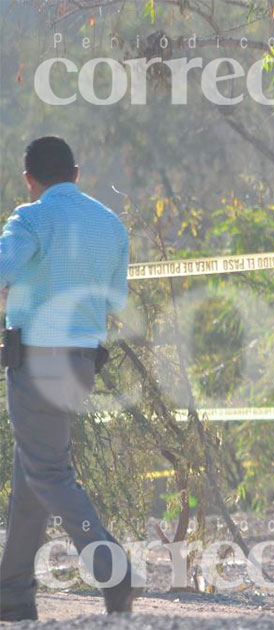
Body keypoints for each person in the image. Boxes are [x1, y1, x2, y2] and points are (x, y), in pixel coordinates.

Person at [0, 137, 137, 620]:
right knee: (32, 473)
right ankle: (13, 594)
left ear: (29, 181)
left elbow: (3, 268)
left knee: (48, 472)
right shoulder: (109, 223)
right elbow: (116, 299)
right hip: (82, 362)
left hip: (38, 359)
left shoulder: (31, 218)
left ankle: (110, 564)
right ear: (76, 174)